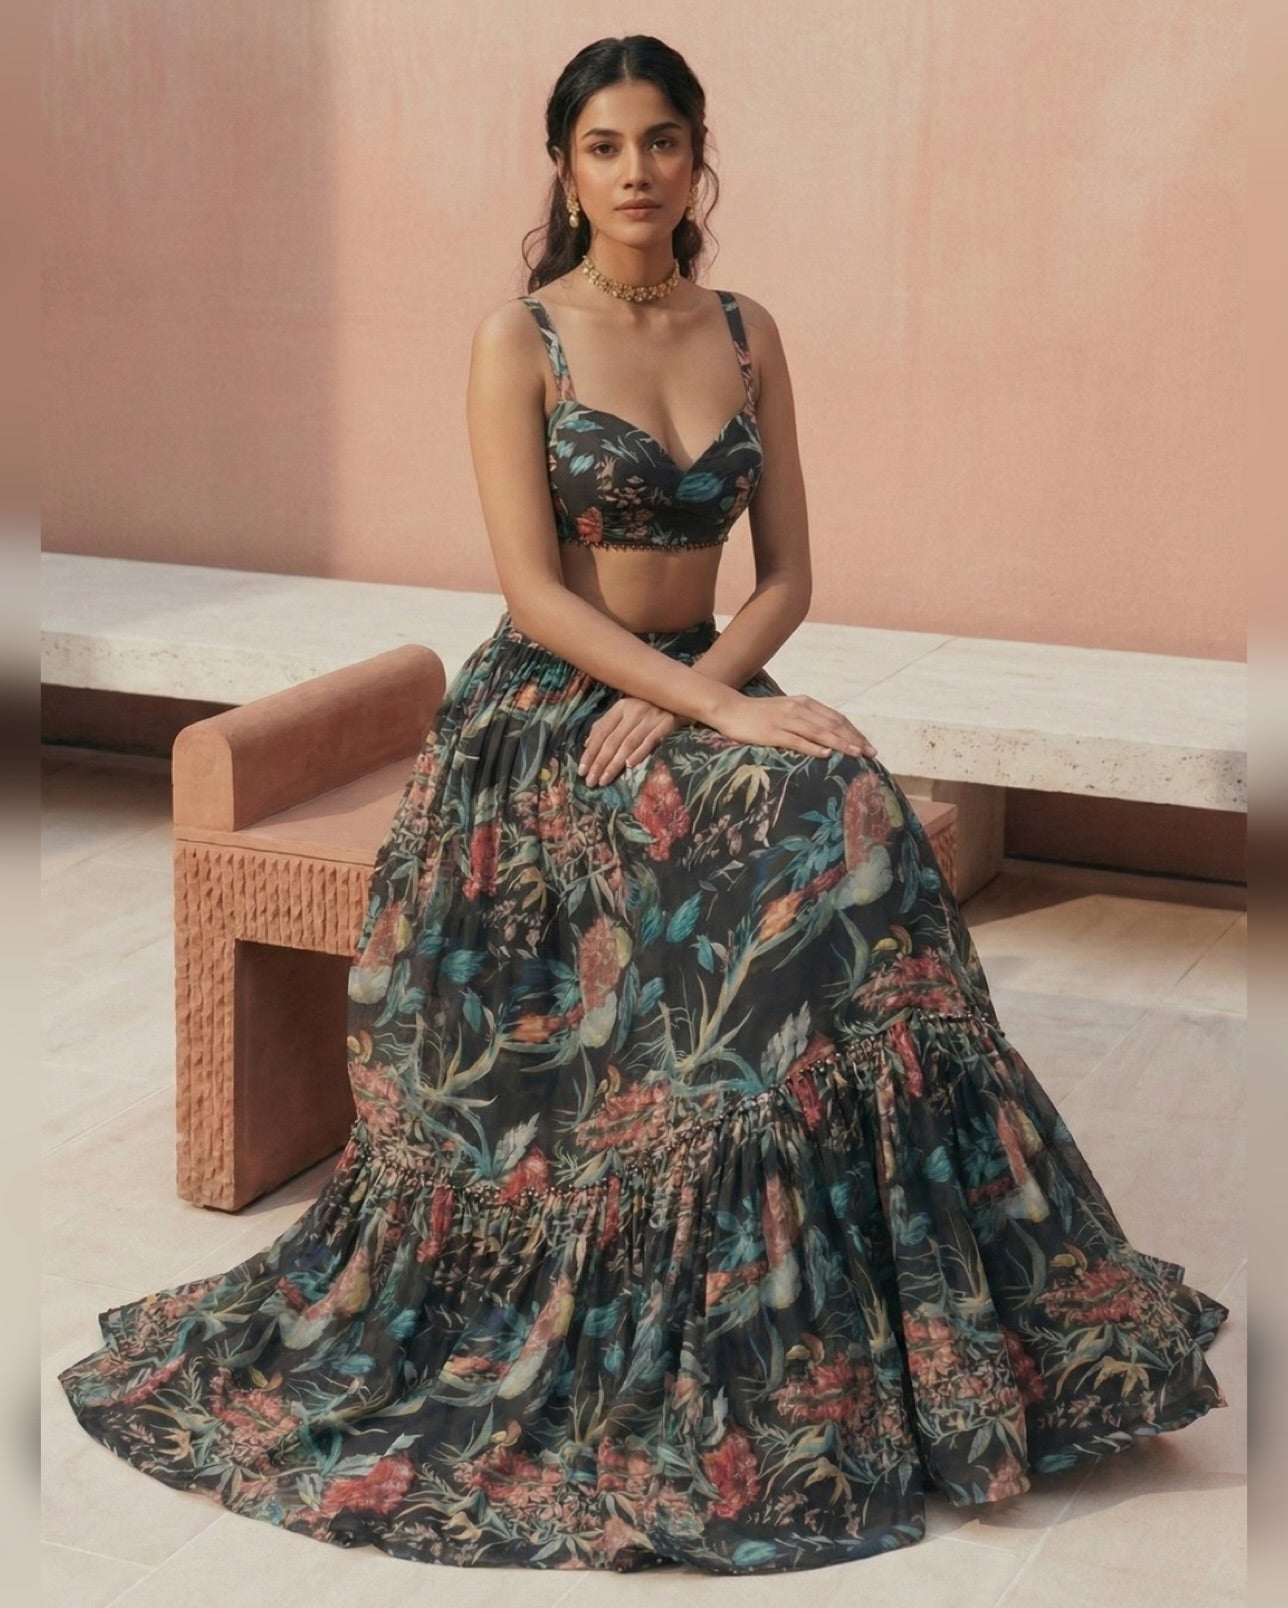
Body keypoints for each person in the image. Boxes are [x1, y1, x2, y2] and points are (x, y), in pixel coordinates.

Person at [58, 34, 1228, 1575]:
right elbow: (533, 592)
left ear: (697, 157)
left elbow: (790, 574)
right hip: (553, 724)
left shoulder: (747, 331)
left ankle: (925, 1313)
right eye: (604, 145)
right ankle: (743, 1307)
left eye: (661, 140)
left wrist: (718, 692)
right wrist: (711, 711)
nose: (636, 170)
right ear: (565, 167)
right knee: (796, 843)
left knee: (856, 815)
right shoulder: (520, 340)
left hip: (695, 684)